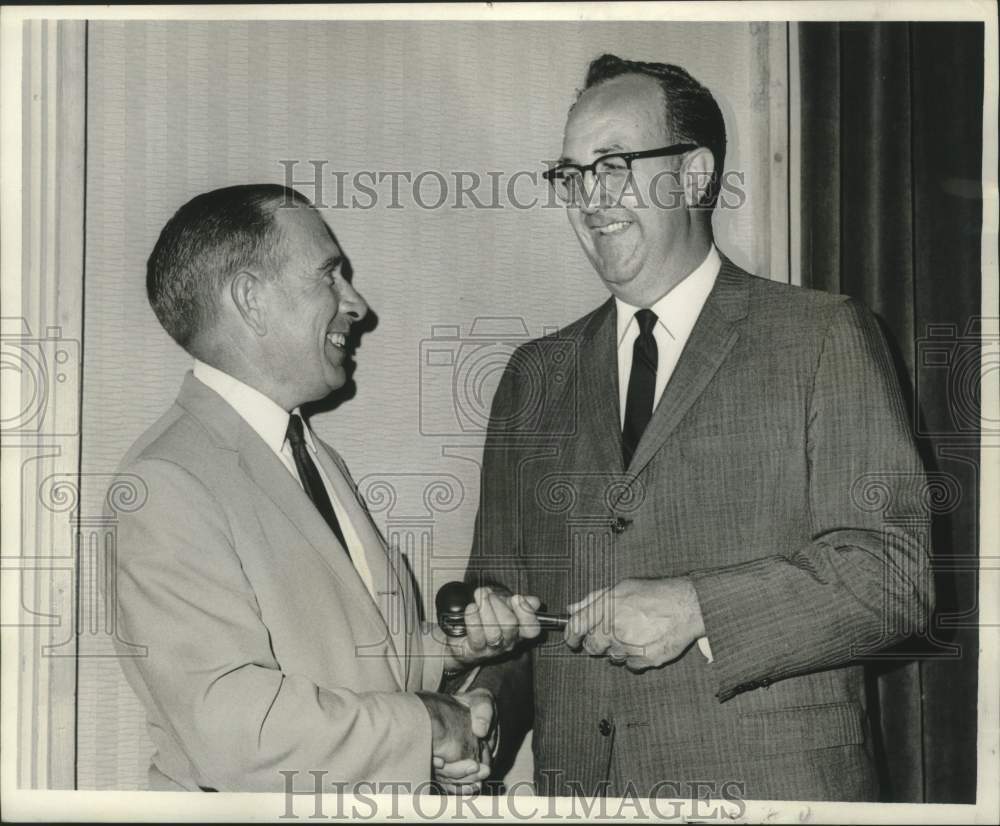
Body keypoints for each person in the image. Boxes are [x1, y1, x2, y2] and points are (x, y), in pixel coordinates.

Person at [456, 54, 933, 801]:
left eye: (613, 166)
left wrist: (696, 608)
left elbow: (894, 579)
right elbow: (509, 617)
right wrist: (481, 702)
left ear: (695, 175)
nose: (590, 198)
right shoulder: (532, 377)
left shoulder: (821, 335)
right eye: (572, 175)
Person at [112, 184, 496, 793]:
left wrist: (453, 653)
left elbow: (357, 664)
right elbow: (235, 729)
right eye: (329, 276)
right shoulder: (166, 483)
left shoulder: (311, 455)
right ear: (251, 299)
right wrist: (426, 725)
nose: (357, 304)